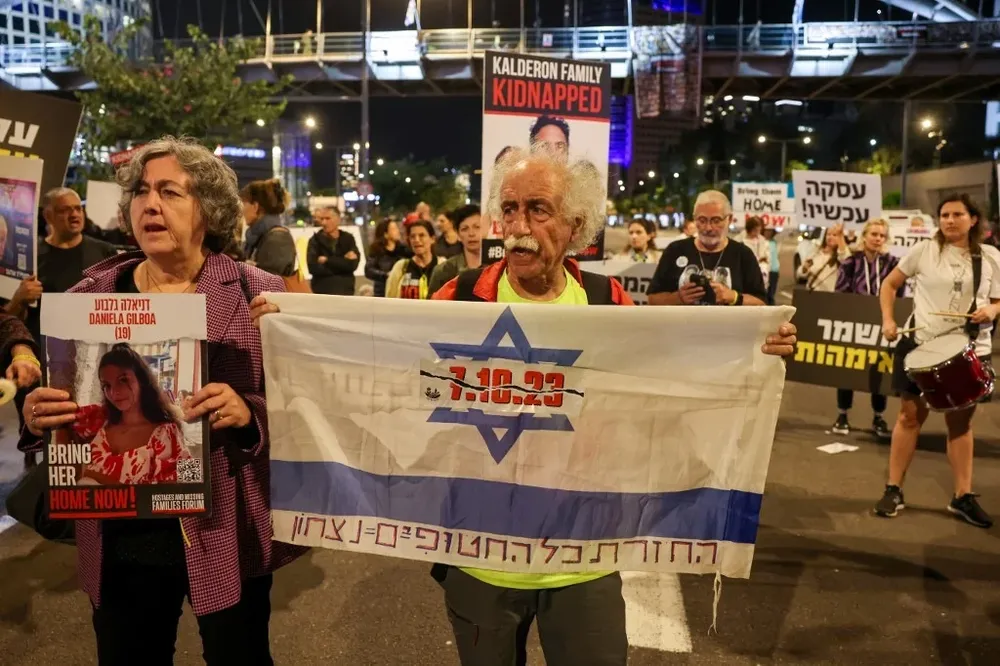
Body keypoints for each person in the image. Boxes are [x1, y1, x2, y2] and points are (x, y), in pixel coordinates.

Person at [248, 149, 798, 666]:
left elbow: (674, 378)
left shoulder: (610, 305)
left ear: (576, 228)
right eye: (509, 210)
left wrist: (753, 351)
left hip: (584, 557)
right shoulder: (460, 299)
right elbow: (383, 363)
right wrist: (294, 328)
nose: (519, 226)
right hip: (478, 559)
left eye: (538, 210)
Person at [18, 137, 305, 664]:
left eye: (170, 192)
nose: (150, 204)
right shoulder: (88, 298)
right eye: (142, 192)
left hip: (224, 528)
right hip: (119, 536)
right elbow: (58, 405)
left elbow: (303, 406)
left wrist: (248, 413)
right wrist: (39, 416)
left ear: (209, 211)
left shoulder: (257, 294)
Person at [877, 194, 1000, 528]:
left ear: (973, 219)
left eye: (957, 214)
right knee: (908, 418)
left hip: (968, 350)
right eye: (944, 215)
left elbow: (998, 300)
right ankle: (894, 489)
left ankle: (962, 496)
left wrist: (992, 309)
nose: (949, 220)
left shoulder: (989, 257)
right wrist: (889, 321)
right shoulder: (924, 250)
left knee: (960, 424)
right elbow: (889, 285)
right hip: (921, 345)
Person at [7, 188, 119, 341]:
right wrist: (18, 299)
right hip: (43, 351)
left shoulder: (106, 252)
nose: (74, 215)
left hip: (89, 349)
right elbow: (9, 318)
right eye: (64, 210)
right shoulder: (31, 255)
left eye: (78, 208)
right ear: (48, 216)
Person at [75, 343, 191, 485]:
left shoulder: (167, 432)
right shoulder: (99, 420)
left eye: (123, 380)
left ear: (142, 381)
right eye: (107, 385)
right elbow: (61, 421)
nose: (113, 392)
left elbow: (191, 482)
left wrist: (94, 475)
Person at [833, 219, 899, 439]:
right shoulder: (851, 262)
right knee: (847, 368)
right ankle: (842, 415)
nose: (878, 239)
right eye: (874, 234)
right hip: (854, 322)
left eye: (882, 235)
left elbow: (901, 290)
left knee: (880, 369)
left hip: (881, 323)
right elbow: (840, 292)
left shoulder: (892, 263)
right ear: (864, 236)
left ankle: (878, 416)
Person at [647, 190, 768, 306]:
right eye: (702, 220)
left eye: (716, 220)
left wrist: (733, 297)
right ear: (694, 219)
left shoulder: (743, 254)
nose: (708, 227)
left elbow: (761, 301)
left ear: (729, 219)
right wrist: (678, 297)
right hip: (683, 327)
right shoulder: (675, 250)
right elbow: (652, 299)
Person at [240, 178, 298, 279]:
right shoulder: (256, 236)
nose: (242, 210)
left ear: (255, 206)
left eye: (244, 204)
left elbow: (271, 280)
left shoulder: (278, 238)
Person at [429, 205, 482, 296]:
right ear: (458, 234)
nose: (471, 234)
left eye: (477, 227)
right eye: (464, 229)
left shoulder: (499, 269)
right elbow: (431, 308)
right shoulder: (443, 271)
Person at [307, 207, 359, 296]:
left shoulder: (348, 239)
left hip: (345, 291)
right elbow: (313, 268)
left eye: (327, 218)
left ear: (338, 219)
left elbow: (352, 265)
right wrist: (342, 262)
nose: (324, 223)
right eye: (322, 219)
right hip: (322, 291)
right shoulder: (315, 240)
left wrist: (327, 260)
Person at [385, 219, 442, 299]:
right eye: (412, 236)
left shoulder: (443, 266)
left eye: (421, 235)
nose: (416, 240)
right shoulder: (400, 267)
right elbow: (389, 300)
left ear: (432, 239)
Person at [797, 224, 850, 292]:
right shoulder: (815, 252)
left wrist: (840, 236)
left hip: (829, 297)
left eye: (834, 235)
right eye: (828, 234)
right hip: (811, 295)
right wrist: (804, 269)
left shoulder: (841, 255)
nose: (830, 237)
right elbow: (800, 273)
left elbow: (846, 259)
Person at [366, 218, 409, 298]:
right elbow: (368, 270)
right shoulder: (376, 250)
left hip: (400, 293)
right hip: (382, 293)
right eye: (394, 229)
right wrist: (386, 275)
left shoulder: (403, 250)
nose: (397, 231)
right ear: (385, 233)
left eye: (397, 228)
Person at [739, 216, 771, 287]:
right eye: (756, 230)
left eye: (759, 230)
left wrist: (764, 262)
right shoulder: (741, 242)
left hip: (761, 275)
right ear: (750, 229)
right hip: (746, 276)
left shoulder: (763, 241)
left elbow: (767, 257)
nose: (758, 232)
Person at [762, 225, 781, 305]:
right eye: (767, 230)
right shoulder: (760, 241)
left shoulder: (774, 242)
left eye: (770, 230)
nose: (768, 232)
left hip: (774, 270)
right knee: (764, 293)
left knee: (771, 294)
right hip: (764, 270)